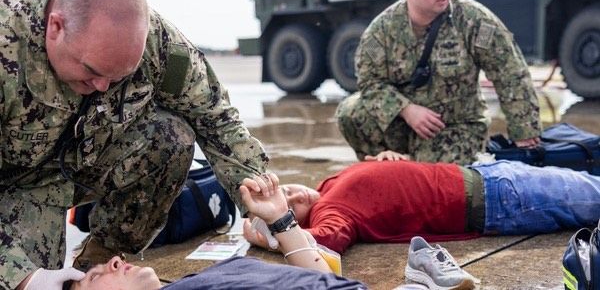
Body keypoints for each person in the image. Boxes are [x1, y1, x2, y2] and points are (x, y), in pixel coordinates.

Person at [0, 0, 275, 290]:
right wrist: (23, 276)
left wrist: (260, 204)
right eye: (91, 70)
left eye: (119, 76)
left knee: (170, 137)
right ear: (56, 27)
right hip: (12, 186)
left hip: (81, 162)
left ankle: (100, 257)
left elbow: (216, 119)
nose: (102, 86)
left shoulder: (156, 43)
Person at [336, 0, 541, 164]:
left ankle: (411, 164)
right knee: (351, 113)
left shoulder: (473, 20)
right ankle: (386, 163)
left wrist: (525, 131)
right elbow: (370, 83)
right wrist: (406, 110)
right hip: (405, 124)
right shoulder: (382, 31)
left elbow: (510, 71)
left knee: (432, 182)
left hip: (456, 125)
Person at [243, 151, 600, 254]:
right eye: (289, 205)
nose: (295, 194)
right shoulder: (331, 213)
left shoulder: (329, 186)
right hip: (499, 199)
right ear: (296, 221)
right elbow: (326, 241)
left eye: (286, 189)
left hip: (487, 173)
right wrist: (265, 232)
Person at [63, 173, 366, 290]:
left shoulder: (189, 282)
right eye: (93, 277)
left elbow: (325, 279)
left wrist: (280, 220)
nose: (111, 261)